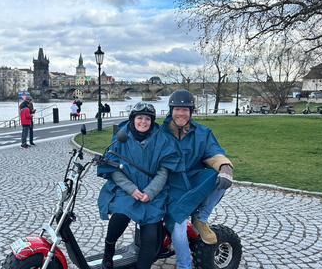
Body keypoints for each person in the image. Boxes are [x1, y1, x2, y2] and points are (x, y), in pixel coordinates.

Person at [97, 102, 179, 269]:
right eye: (139, 118)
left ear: (152, 121)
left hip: (153, 194)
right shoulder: (121, 135)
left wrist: (150, 192)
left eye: (147, 119)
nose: (143, 122)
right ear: (133, 119)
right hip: (127, 190)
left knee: (150, 239)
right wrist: (131, 189)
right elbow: (114, 169)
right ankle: (108, 250)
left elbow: (163, 171)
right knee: (119, 216)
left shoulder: (162, 138)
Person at [161, 89, 234, 269]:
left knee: (220, 175)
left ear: (191, 111)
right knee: (178, 229)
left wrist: (225, 167)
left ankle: (200, 219)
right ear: (171, 110)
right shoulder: (159, 133)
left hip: (191, 180)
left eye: (185, 110)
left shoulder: (202, 132)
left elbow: (213, 152)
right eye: (177, 109)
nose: (181, 113)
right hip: (169, 187)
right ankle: (185, 266)